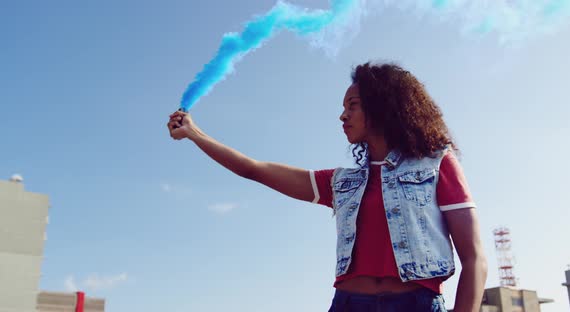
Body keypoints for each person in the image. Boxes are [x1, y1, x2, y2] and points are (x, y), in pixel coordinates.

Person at [167, 62, 487, 312]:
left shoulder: (436, 164)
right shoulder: (340, 182)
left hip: (415, 305)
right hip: (348, 305)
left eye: (353, 105)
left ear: (382, 106)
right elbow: (254, 170)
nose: (342, 115)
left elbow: (474, 259)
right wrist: (195, 134)